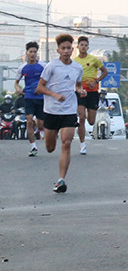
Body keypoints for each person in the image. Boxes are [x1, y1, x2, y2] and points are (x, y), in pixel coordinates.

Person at [34, 33, 84, 193]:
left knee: (67, 143)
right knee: (50, 147)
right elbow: (39, 88)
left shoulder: (77, 67)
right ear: (58, 50)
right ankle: (49, 136)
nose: (66, 51)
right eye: (63, 48)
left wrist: (80, 91)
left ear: (72, 49)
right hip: (51, 111)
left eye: (69, 48)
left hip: (69, 110)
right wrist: (54, 95)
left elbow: (77, 85)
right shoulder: (51, 66)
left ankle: (61, 180)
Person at [74, 35, 107, 154]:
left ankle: (90, 112)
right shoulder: (74, 61)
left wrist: (96, 81)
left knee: (91, 121)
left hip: (93, 92)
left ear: (88, 47)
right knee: (81, 118)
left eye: (85, 45)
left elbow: (105, 71)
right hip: (80, 92)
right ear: (78, 47)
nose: (83, 47)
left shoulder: (94, 59)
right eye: (81, 45)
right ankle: (82, 145)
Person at [15, 41, 46, 155]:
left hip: (41, 98)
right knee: (29, 121)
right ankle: (33, 147)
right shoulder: (23, 67)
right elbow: (16, 82)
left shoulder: (43, 66)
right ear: (27, 53)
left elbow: (49, 80)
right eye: (30, 52)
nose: (32, 54)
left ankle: (40, 129)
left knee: (40, 125)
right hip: (28, 97)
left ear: (37, 53)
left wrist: (42, 88)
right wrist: (18, 89)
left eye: (34, 52)